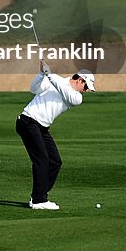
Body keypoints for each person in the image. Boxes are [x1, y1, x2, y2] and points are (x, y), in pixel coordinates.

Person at [15, 61, 95, 210]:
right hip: (27, 122)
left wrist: (50, 75)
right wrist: (41, 75)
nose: (86, 90)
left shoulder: (76, 97)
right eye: (86, 86)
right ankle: (39, 200)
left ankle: (39, 196)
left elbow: (64, 91)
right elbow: (34, 89)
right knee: (42, 160)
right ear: (80, 80)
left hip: (42, 128)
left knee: (55, 162)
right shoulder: (54, 80)